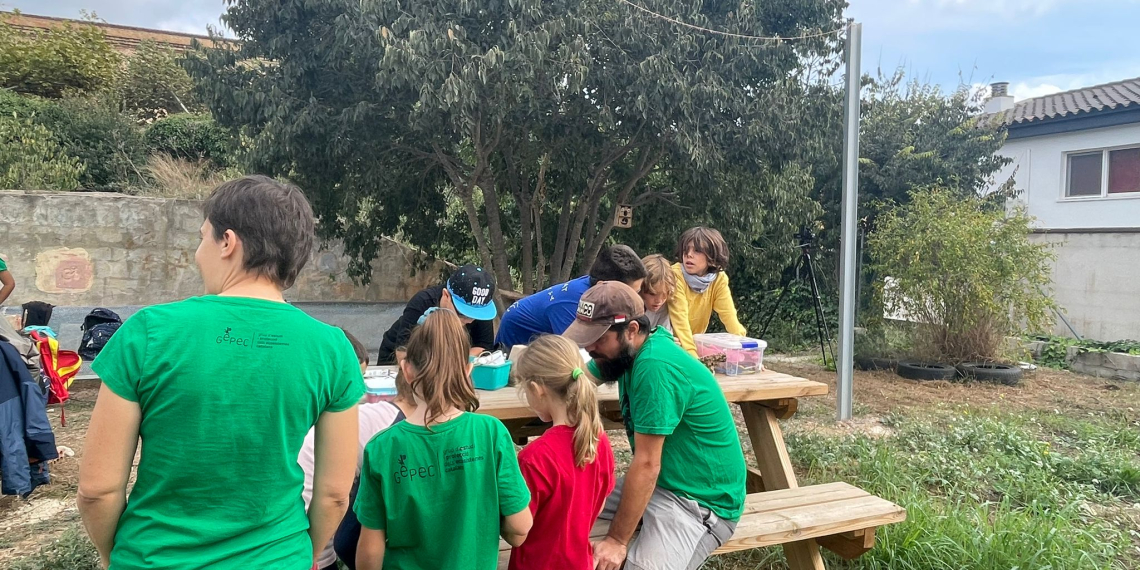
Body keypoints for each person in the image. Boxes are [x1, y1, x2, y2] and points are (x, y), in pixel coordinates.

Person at [78, 176, 365, 570]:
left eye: (202, 239)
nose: (198, 254)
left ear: (228, 242)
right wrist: (297, 556)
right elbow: (334, 495)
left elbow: (97, 491)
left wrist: (115, 556)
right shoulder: (332, 349)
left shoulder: (147, 333)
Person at [565, 281, 746, 570]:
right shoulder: (627, 351)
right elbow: (580, 378)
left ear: (632, 329)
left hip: (699, 500)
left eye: (598, 338)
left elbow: (648, 464)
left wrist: (616, 540)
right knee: (563, 505)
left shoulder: (654, 366)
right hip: (662, 482)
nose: (589, 347)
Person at [355, 310, 533, 570]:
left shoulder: (381, 447)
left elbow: (370, 552)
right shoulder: (490, 432)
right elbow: (520, 527)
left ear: (406, 371)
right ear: (468, 370)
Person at [299, 330, 407, 570]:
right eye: (352, 380)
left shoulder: (303, 413)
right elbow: (336, 500)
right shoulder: (378, 422)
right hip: (313, 546)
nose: (358, 392)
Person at [508, 335, 615, 570]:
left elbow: (517, 533)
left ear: (536, 389)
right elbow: (599, 503)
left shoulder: (534, 458)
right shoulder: (598, 440)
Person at [496, 245, 647, 350]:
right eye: (630, 294)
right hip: (513, 358)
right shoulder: (574, 305)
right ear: (602, 285)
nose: (635, 299)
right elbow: (575, 354)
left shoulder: (593, 289)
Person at [377, 264, 496, 364]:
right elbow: (403, 352)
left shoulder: (480, 307)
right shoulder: (422, 302)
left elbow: (484, 347)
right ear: (446, 295)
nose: (469, 320)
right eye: (462, 313)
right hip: (396, 358)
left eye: (476, 315)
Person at [668, 227, 747, 357]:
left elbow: (729, 316)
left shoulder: (719, 278)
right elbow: (680, 320)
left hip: (692, 344)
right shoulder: (674, 275)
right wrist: (693, 357)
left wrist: (745, 351)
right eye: (686, 249)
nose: (689, 254)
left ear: (712, 257)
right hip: (670, 343)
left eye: (697, 250)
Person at [639, 254, 675, 333]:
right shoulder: (629, 307)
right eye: (652, 294)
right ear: (640, 288)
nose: (659, 301)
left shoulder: (664, 307)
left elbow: (665, 334)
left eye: (665, 294)